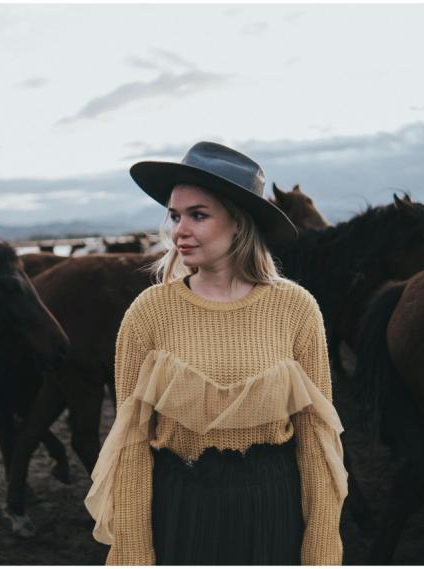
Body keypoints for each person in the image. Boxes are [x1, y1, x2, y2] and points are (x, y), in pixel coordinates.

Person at [85, 141, 347, 565]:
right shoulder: (148, 313)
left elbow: (318, 441)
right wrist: (134, 552)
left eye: (198, 215)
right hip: (181, 510)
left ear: (240, 224)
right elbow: (131, 443)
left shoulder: (297, 309)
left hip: (273, 510)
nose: (178, 230)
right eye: (175, 215)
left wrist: (320, 549)